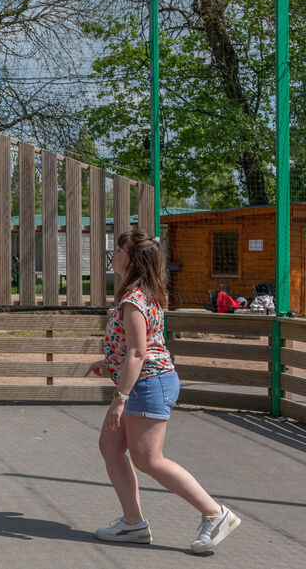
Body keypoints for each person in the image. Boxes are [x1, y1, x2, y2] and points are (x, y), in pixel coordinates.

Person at [85, 229, 240, 553]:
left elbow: (139, 354)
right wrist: (110, 360)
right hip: (143, 379)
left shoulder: (134, 299)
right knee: (111, 447)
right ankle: (133, 524)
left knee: (148, 458)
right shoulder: (143, 294)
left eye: (119, 250)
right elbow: (141, 345)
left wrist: (119, 399)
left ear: (133, 259)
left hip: (147, 384)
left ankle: (215, 513)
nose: (114, 255)